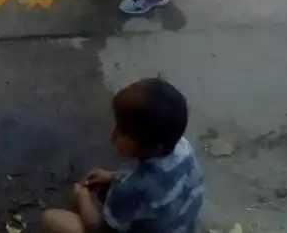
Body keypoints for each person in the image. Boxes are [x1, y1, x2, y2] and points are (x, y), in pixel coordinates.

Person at [41, 78, 203, 233]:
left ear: (153, 148)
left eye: (123, 132)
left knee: (52, 220)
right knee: (106, 192)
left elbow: (99, 230)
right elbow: (158, 182)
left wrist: (81, 197)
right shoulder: (183, 148)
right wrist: (114, 176)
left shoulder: (129, 188)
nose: (112, 136)